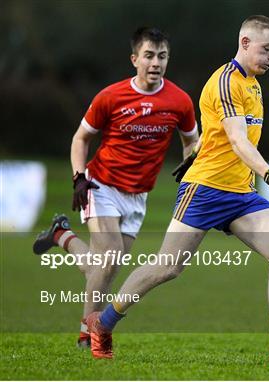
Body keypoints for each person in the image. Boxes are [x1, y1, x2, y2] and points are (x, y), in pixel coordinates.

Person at [84, 15, 269, 366]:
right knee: (167, 267)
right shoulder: (226, 81)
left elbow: (218, 135)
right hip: (205, 190)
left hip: (240, 194)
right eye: (267, 48)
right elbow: (235, 137)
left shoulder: (253, 84)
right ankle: (103, 323)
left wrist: (202, 152)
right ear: (245, 43)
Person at [32, 27, 199, 347]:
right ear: (134, 59)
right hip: (101, 185)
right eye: (149, 56)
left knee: (103, 267)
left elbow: (191, 141)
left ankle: (60, 235)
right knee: (108, 260)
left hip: (139, 195)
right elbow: (81, 139)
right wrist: (78, 177)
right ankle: (87, 333)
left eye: (162, 56)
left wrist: (190, 165)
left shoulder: (179, 100)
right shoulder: (111, 96)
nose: (156, 63)